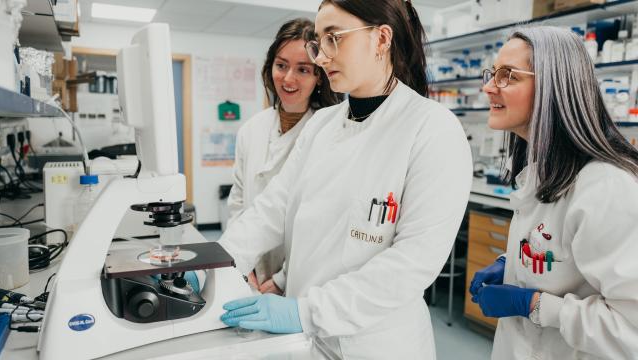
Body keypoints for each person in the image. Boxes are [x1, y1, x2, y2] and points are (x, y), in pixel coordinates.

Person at [218, 0, 472, 358]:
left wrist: (305, 311)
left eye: (334, 38)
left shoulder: (433, 129)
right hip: (307, 340)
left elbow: (412, 263)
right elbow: (272, 208)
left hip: (376, 344)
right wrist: (218, 262)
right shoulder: (322, 125)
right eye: (319, 42)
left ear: (381, 39)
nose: (321, 57)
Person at [470, 26, 638, 359]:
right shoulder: (541, 171)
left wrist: (532, 304)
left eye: (508, 76)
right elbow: (558, 250)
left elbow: (630, 331)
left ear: (554, 86)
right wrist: (514, 265)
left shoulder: (605, 187)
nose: (488, 87)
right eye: (492, 73)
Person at [226, 18, 341, 295]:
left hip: (303, 280)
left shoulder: (330, 134)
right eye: (281, 65)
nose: (288, 79)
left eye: (303, 69)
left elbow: (324, 223)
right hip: (254, 271)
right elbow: (238, 205)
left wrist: (282, 280)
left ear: (319, 77)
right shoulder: (251, 130)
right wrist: (242, 264)